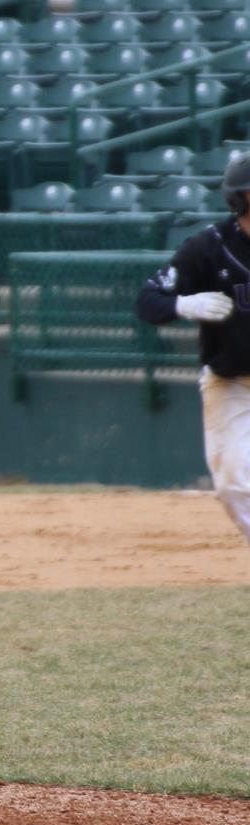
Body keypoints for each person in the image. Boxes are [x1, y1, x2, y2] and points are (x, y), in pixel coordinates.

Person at [137, 155, 250, 546]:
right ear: (242, 197)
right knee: (233, 484)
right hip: (233, 386)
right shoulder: (208, 248)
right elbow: (148, 301)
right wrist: (182, 304)